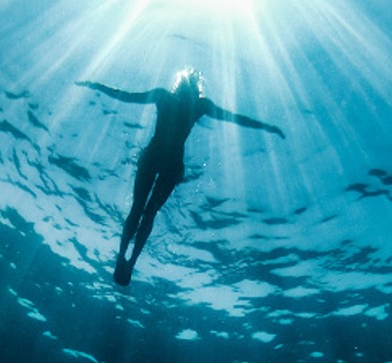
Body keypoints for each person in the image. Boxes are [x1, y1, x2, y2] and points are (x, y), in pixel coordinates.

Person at [77, 68, 285, 286]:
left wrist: (267, 127)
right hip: (168, 163)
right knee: (144, 212)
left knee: (143, 211)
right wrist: (95, 85)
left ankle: (126, 259)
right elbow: (125, 95)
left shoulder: (180, 100)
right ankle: (125, 259)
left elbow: (235, 119)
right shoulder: (190, 103)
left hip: (160, 160)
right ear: (195, 87)